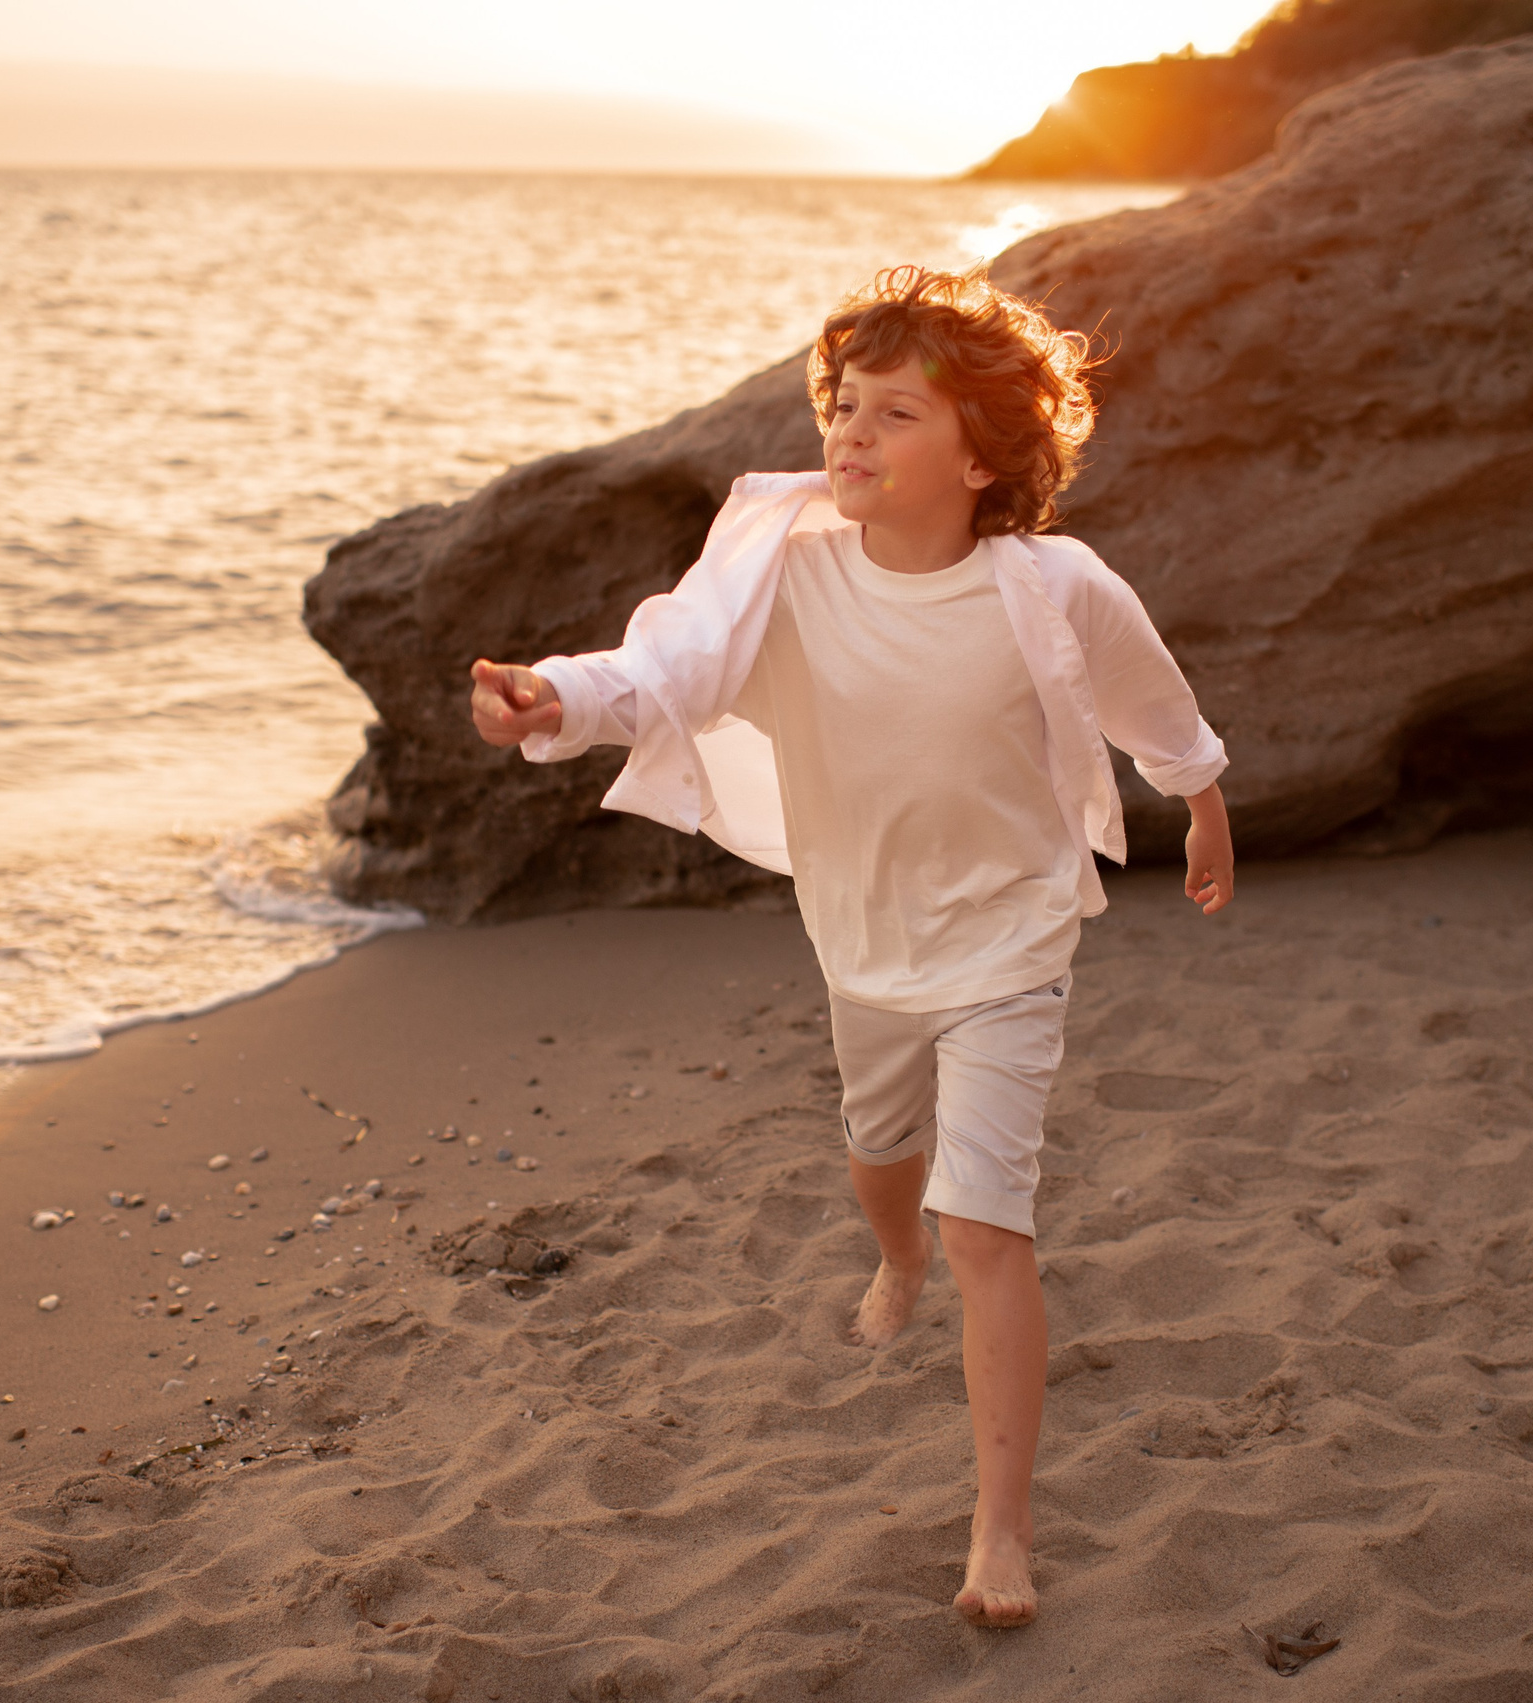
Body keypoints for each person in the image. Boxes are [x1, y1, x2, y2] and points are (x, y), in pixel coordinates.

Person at [465, 265, 1232, 1628]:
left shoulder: (1052, 586)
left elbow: (1146, 694)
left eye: (893, 416)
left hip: (1014, 937)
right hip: (863, 942)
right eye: (843, 408)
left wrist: (1203, 798)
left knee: (986, 1217)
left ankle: (1002, 1533)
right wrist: (553, 701)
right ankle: (893, 1259)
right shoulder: (791, 582)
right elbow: (667, 667)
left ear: (983, 457)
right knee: (885, 1163)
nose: (850, 438)